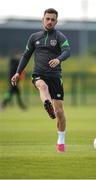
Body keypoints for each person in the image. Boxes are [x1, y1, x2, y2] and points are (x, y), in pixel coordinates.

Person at [11, 8, 70, 153]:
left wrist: (58, 59)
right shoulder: (34, 37)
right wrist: (18, 72)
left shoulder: (60, 36)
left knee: (60, 113)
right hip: (39, 74)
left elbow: (67, 51)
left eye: (53, 19)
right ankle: (47, 104)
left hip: (55, 77)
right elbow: (26, 56)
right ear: (42, 19)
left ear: (56, 21)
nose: (50, 21)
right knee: (42, 86)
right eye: (47, 18)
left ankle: (61, 141)